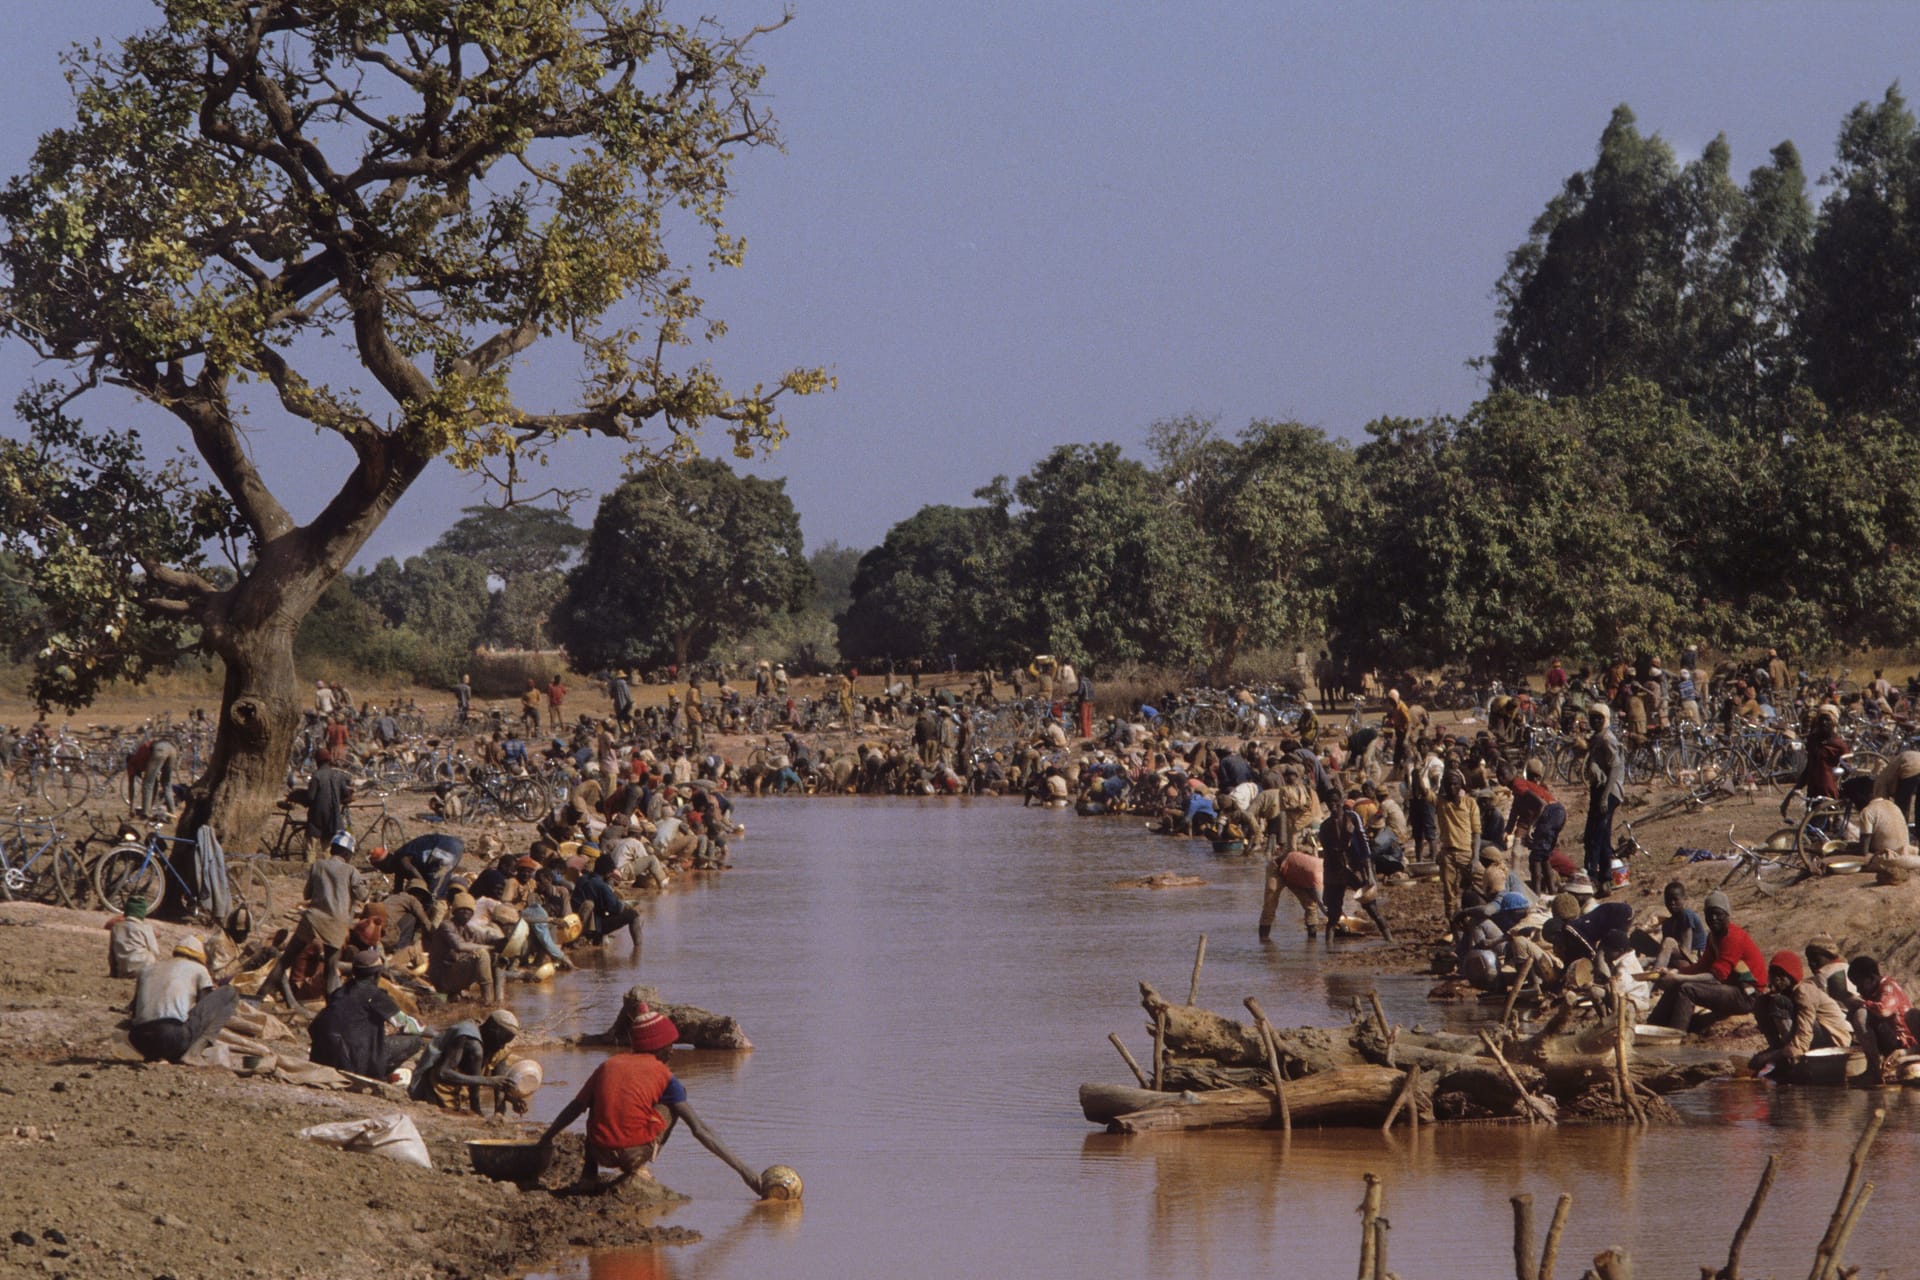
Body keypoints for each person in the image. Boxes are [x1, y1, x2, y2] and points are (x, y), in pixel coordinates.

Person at [537, 1003, 765, 1195]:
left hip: (600, 1152)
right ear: (659, 1047)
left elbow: (574, 1109)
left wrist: (545, 1139)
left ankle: (588, 1177)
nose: (673, 1051)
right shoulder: (664, 1075)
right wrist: (746, 1172)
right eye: (670, 1045)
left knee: (601, 1102)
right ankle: (639, 1169)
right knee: (673, 1106)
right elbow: (699, 1129)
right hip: (633, 1155)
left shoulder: (607, 1065)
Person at [1648, 890, 1764, 1032]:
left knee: (1686, 989)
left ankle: (1675, 1036)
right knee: (1677, 985)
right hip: (1733, 989)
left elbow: (1716, 975)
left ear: (1727, 915)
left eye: (1718, 914)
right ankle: (1653, 1025)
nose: (1714, 918)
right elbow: (1702, 966)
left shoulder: (1733, 937)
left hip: (1748, 995)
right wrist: (1675, 971)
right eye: (1710, 915)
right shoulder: (1714, 937)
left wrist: (1678, 977)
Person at [308, 947, 424, 1081]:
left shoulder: (340, 992)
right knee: (415, 1040)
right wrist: (425, 1028)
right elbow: (410, 1026)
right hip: (354, 1058)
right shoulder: (375, 995)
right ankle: (376, 1074)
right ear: (377, 974)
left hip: (325, 1055)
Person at [127, 936, 239, 1064]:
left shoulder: (147, 969)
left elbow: (133, 1010)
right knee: (230, 992)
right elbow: (205, 1009)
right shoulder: (199, 969)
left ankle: (158, 1056)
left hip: (138, 1040)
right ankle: (195, 1052)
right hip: (172, 1037)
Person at [1750, 950, 1851, 1077]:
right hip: (1807, 1036)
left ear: (1791, 976)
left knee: (1779, 1002)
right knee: (1762, 1002)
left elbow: (1804, 1033)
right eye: (1774, 974)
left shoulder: (1804, 991)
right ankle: (1780, 1050)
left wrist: (1773, 1056)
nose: (1777, 979)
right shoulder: (1788, 994)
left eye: (1782, 975)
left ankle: (1791, 1056)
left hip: (1832, 1039)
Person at [409, 1008, 522, 1115]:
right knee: (477, 1051)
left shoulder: (498, 1048)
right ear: (491, 1028)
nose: (502, 1045)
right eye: (501, 1039)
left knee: (496, 1053)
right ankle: (475, 1108)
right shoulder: (468, 1038)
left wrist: (508, 1104)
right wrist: (487, 1081)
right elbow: (443, 1073)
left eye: (506, 1042)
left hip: (460, 1097)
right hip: (436, 1091)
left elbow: (500, 1085)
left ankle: (475, 1109)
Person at [426, 891, 508, 1004]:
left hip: (456, 972)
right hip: (442, 976)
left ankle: (499, 1000)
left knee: (499, 958)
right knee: (482, 954)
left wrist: (505, 941)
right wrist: (488, 948)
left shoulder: (469, 930)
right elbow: (459, 946)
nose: (466, 913)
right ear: (454, 911)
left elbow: (488, 938)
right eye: (462, 910)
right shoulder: (446, 925)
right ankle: (487, 1001)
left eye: (469, 911)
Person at [1845, 956, 1916, 1080]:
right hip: (1894, 1039)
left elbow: (1884, 1010)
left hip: (1905, 1042)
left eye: (1860, 985)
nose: (1858, 990)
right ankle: (1874, 1066)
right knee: (1857, 1014)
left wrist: (1862, 1003)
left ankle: (1875, 1068)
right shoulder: (1875, 992)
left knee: (1862, 1014)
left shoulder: (1888, 987)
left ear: (1872, 978)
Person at [1582, 705, 1625, 889]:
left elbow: (1615, 768)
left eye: (1599, 718)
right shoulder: (1597, 738)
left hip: (1609, 791)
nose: (1595, 722)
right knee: (1601, 835)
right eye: (1593, 718)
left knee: (1595, 836)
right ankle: (1605, 876)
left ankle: (1592, 875)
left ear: (1605, 719)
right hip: (1599, 789)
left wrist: (1604, 797)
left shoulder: (1607, 739)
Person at [573, 854, 644, 949]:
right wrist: (627, 906)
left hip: (576, 922)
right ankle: (638, 949)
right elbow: (616, 908)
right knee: (633, 914)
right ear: (607, 873)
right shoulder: (601, 886)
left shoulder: (582, 879)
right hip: (595, 927)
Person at [302, 748, 353, 864]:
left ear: (317, 761)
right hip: (333, 818)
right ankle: (329, 870)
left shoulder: (316, 776)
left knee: (311, 848)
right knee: (328, 849)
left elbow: (310, 798)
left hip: (316, 818)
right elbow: (346, 793)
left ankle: (310, 870)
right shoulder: (338, 775)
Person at [107, 894, 163, 978]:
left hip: (123, 971)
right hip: (143, 969)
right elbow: (155, 951)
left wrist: (113, 973)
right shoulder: (145, 927)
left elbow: (112, 954)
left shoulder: (115, 928)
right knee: (151, 956)